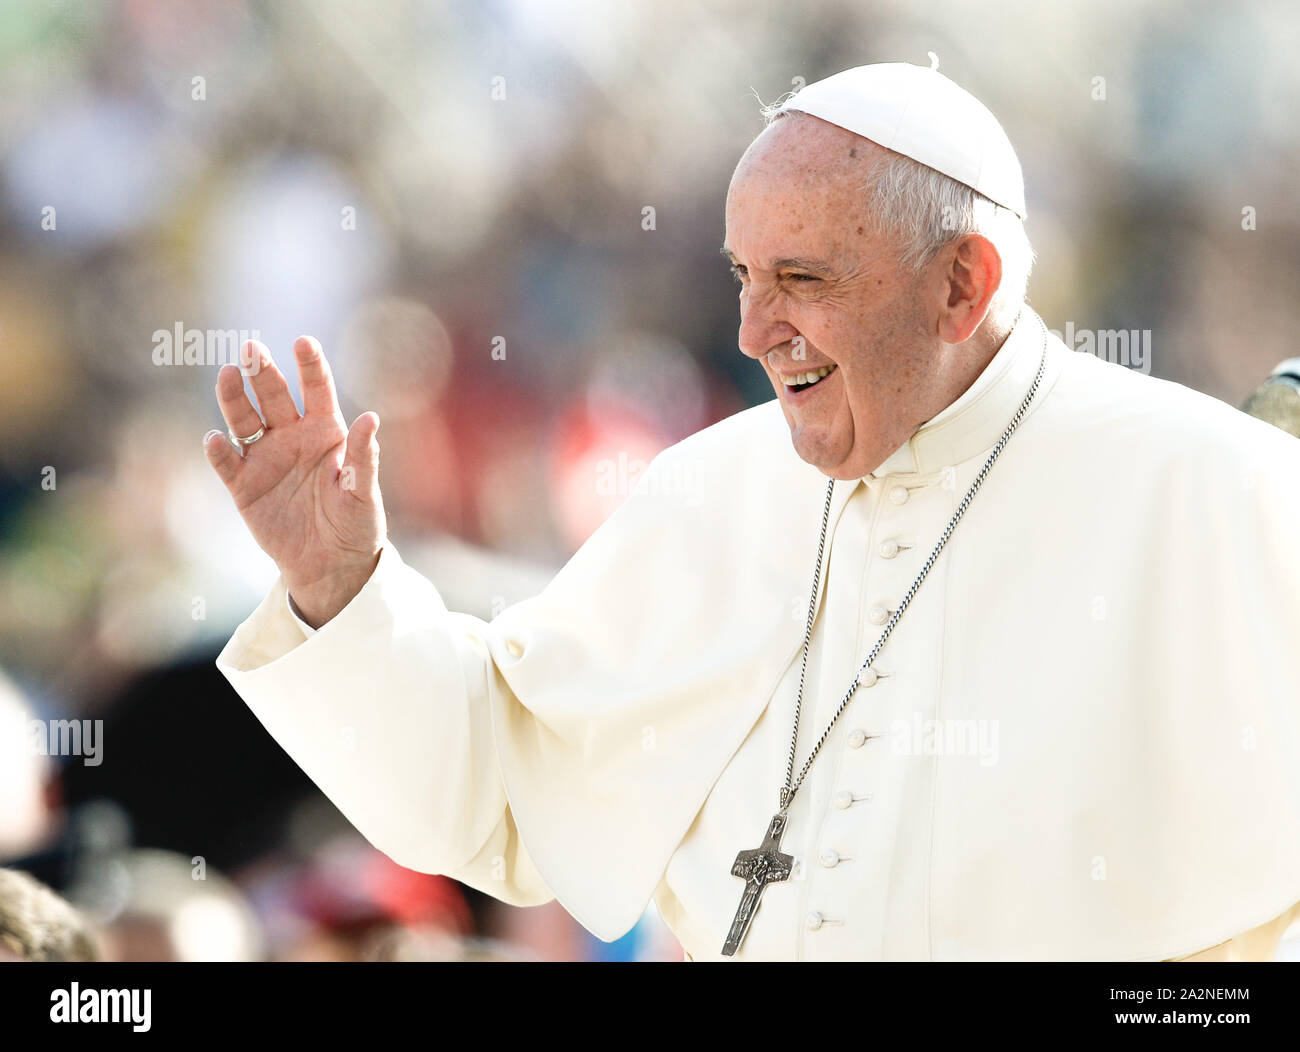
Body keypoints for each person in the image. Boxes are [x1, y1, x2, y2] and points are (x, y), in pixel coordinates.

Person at [205, 62, 1300, 961]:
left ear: (961, 285)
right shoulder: (708, 492)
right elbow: (496, 780)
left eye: (802, 278)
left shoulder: (1217, 488)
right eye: (740, 275)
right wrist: (336, 586)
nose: (751, 329)